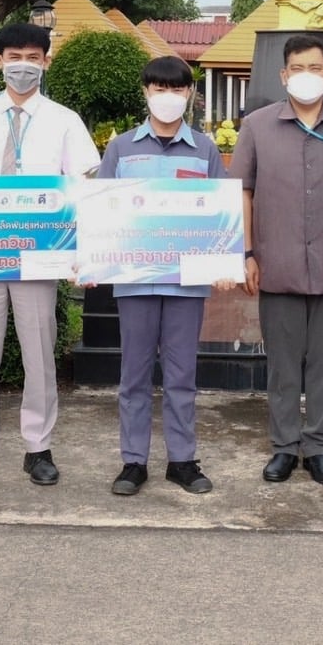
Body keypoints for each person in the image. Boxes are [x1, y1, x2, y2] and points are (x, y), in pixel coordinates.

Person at [0, 22, 100, 485]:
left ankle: (38, 447)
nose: (22, 65)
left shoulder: (65, 120)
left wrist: (79, 255)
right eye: (14, 56)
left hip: (42, 254)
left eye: (32, 56)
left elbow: (81, 189)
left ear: (46, 61)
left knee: (38, 353)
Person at [232, 34, 323, 485]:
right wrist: (246, 253)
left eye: (315, 68)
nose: (306, 77)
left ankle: (318, 446)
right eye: (297, 69)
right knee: (281, 361)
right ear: (283, 75)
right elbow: (242, 191)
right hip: (276, 265)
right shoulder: (256, 126)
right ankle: (283, 446)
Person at [96, 55, 232, 496]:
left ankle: (182, 460)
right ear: (145, 92)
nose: (167, 97)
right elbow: (102, 214)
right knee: (133, 375)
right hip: (134, 280)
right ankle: (133, 461)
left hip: (186, 283)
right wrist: (93, 260)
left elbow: (220, 216)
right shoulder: (121, 148)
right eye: (159, 88)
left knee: (181, 375)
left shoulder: (205, 149)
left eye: (176, 89)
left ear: (189, 95)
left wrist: (225, 262)